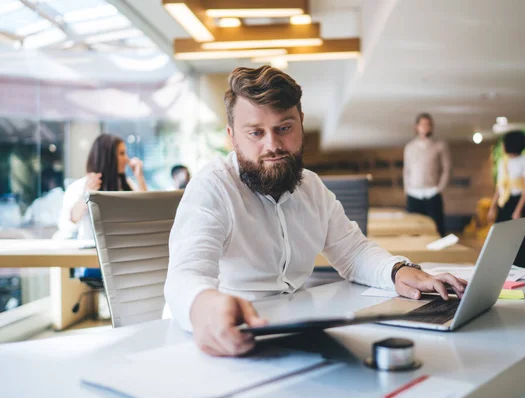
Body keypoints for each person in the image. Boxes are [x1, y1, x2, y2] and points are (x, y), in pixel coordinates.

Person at [165, 66, 467, 357]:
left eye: (284, 128)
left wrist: (398, 271)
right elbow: (185, 275)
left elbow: (353, 252)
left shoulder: (311, 186)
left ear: (301, 123)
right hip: (227, 335)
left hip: (294, 331)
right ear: (232, 137)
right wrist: (202, 305)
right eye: (256, 133)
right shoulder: (212, 187)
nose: (273, 145)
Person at [57, 133, 148, 240]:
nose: (127, 159)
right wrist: (86, 195)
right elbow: (67, 226)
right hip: (91, 251)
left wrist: (140, 177)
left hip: (125, 247)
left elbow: (146, 212)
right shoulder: (79, 187)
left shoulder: (127, 184)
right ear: (107, 157)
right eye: (122, 153)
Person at [488, 130, 525, 268]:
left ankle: (520, 268)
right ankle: (502, 268)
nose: (502, 145)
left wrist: (518, 210)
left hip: (519, 202)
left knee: (520, 240)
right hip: (504, 202)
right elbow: (500, 186)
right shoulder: (503, 162)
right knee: (501, 237)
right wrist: (493, 206)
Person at [403, 113, 451, 237]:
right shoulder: (409, 147)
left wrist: (439, 189)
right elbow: (406, 170)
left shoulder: (440, 145)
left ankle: (440, 256)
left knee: (438, 229)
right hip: (413, 194)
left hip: (432, 194)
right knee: (413, 230)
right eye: (423, 124)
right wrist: (407, 189)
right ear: (416, 127)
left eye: (429, 124)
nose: (426, 127)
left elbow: (447, 168)